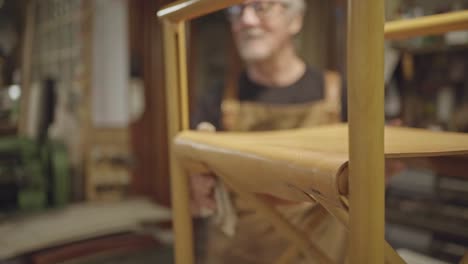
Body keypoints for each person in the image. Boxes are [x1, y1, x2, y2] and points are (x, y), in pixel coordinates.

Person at [190, 0, 348, 262]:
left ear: (295, 20)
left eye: (262, 6)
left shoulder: (339, 94)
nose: (248, 21)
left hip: (323, 252)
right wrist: (195, 178)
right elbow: (194, 184)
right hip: (239, 252)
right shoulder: (216, 99)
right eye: (237, 10)